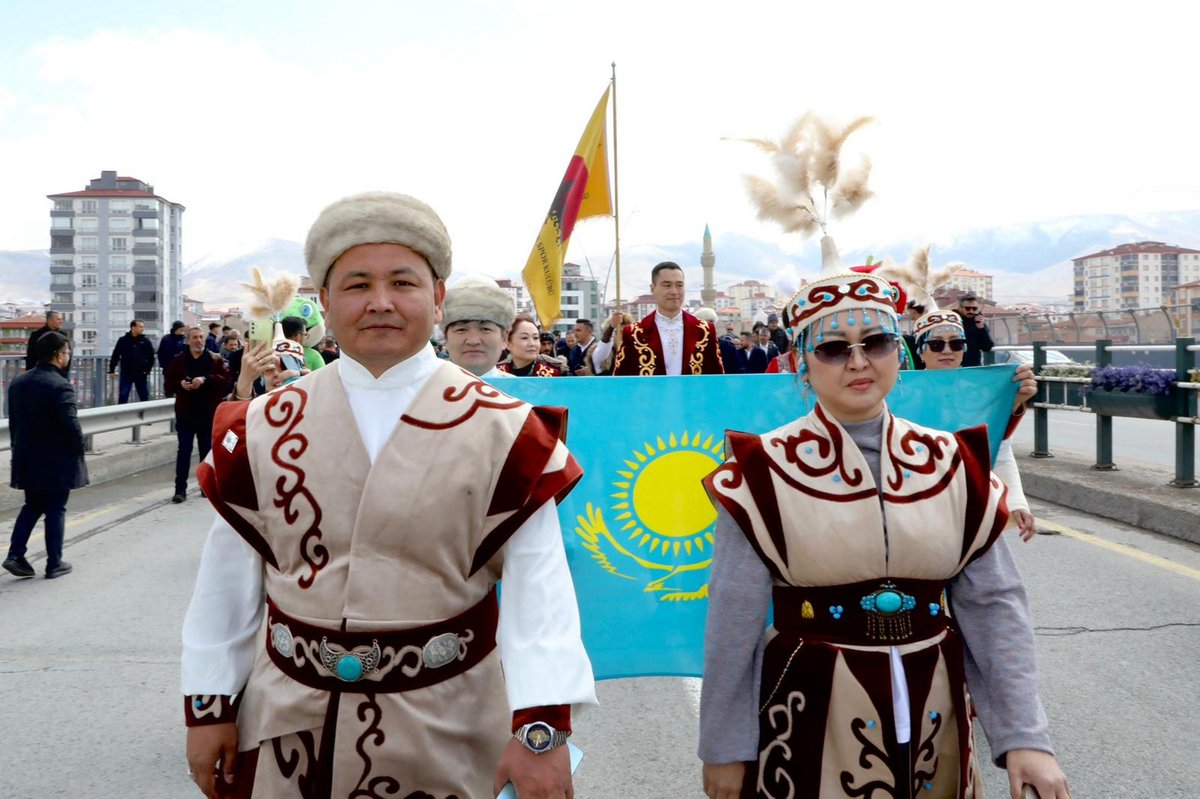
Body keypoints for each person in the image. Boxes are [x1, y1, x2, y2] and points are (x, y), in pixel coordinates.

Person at [181, 191, 595, 799]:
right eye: (357, 285)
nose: (380, 302)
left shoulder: (506, 431)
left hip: (451, 726)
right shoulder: (263, 426)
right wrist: (209, 704)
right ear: (325, 300)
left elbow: (541, 591)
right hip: (287, 727)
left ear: (438, 296)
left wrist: (541, 731)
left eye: (402, 282)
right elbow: (227, 580)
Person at [698, 236, 1069, 799]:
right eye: (833, 349)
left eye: (875, 342)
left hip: (938, 711)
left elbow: (995, 607)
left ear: (900, 352)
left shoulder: (953, 463)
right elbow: (733, 622)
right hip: (804, 721)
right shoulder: (759, 472)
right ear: (801, 363)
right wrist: (725, 748)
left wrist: (1026, 738)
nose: (858, 362)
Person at [914, 306, 1038, 542]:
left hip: (972, 505)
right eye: (937, 344)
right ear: (921, 350)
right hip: (917, 507)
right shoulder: (901, 394)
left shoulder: (981, 394)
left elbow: (998, 450)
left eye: (956, 344)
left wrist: (1016, 502)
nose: (947, 351)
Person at [3, 332, 87, 580]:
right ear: (58, 356)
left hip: (26, 455)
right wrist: (80, 447)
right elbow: (70, 424)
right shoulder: (61, 385)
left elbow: (14, 423)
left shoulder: (19, 382)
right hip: (56, 459)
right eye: (67, 353)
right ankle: (54, 563)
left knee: (33, 504)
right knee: (56, 508)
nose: (68, 357)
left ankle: (15, 555)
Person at [593, 262, 724, 375]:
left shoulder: (705, 330)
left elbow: (716, 378)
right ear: (653, 288)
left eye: (679, 285)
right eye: (667, 285)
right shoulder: (634, 333)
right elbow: (623, 380)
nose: (674, 291)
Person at [164, 327, 231, 504]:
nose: (199, 341)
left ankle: (206, 487)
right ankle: (180, 490)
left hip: (207, 412)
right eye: (195, 337)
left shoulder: (215, 359)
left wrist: (205, 379)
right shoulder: (178, 360)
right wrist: (180, 384)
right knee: (184, 451)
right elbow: (168, 384)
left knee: (206, 451)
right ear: (188, 341)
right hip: (185, 413)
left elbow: (225, 380)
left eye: (201, 337)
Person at [442, 274, 514, 379]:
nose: (473, 341)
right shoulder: (425, 388)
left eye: (485, 329)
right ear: (445, 338)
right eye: (461, 330)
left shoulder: (523, 388)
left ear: (505, 338)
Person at [108, 319, 157, 403]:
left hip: (141, 374)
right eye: (140, 327)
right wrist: (112, 370)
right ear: (133, 327)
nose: (142, 329)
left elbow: (151, 358)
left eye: (143, 327)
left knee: (144, 396)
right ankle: (122, 411)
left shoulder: (145, 341)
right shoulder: (123, 340)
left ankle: (145, 411)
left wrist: (146, 370)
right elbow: (115, 355)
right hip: (126, 373)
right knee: (123, 396)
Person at [499, 316, 564, 376]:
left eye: (535, 338)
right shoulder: (497, 375)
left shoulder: (552, 376)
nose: (532, 343)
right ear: (508, 343)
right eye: (524, 338)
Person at [696, 308, 741, 374]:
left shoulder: (727, 346)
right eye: (706, 323)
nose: (709, 326)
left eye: (711, 323)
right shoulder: (692, 347)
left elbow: (737, 370)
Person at [957, 294, 994, 367]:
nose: (971, 311)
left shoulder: (978, 323)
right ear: (960, 308)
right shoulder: (955, 322)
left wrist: (981, 328)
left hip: (974, 366)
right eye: (967, 308)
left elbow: (987, 347)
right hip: (957, 366)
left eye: (974, 309)